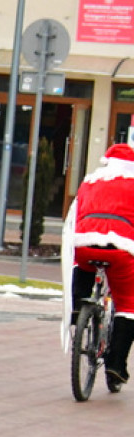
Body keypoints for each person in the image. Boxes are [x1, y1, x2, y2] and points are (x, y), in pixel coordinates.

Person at [66, 139, 134, 391]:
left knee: (82, 264)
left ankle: (78, 308)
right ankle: (116, 364)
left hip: (84, 242)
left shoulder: (91, 180)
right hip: (120, 247)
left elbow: (75, 213)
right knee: (128, 304)